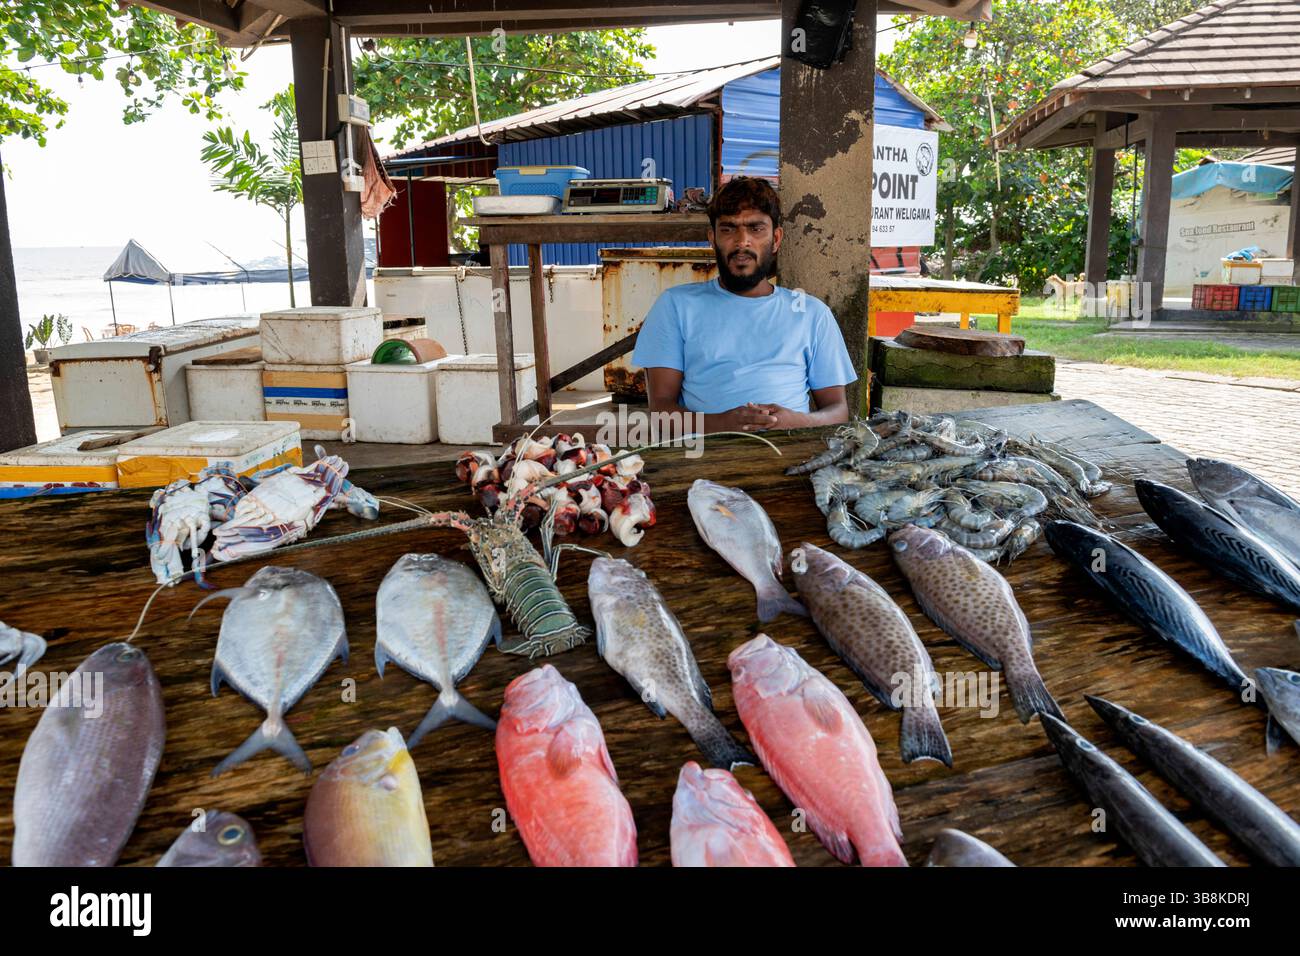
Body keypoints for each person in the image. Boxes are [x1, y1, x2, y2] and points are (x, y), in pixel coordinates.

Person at [631, 176, 856, 433]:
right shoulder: (675, 306)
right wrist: (723, 424)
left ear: (777, 238)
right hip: (706, 456)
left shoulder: (812, 313)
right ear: (712, 238)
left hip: (792, 453)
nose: (742, 242)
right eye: (728, 229)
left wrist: (796, 422)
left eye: (756, 228)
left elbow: (838, 411)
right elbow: (661, 413)